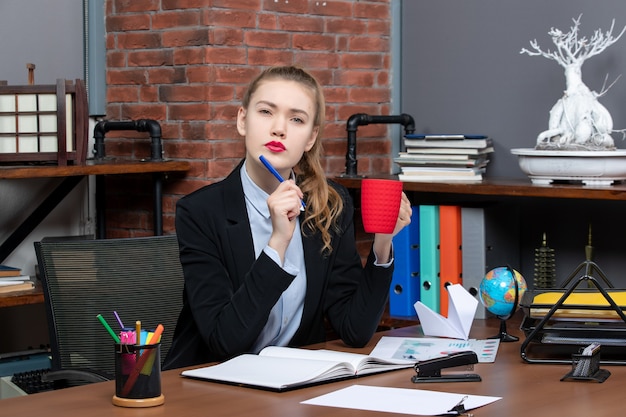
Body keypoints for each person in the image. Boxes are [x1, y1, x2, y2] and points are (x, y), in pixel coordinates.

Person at [163, 65, 412, 370]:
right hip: (208, 385)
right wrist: (278, 242)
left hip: (289, 385)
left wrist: (382, 243)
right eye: (266, 112)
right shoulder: (200, 212)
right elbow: (225, 342)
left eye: (296, 119)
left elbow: (354, 330)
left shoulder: (330, 204)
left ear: (310, 138)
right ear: (243, 120)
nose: (279, 128)